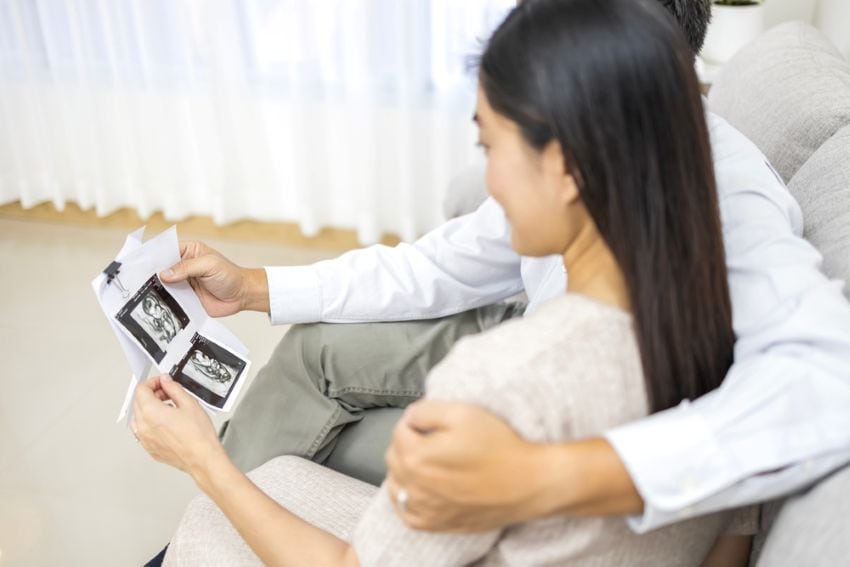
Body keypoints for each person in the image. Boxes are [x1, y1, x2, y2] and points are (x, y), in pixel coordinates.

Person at [159, 0, 850, 539]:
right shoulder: (576, 169)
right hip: (531, 338)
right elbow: (449, 258)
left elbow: (830, 377)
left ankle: (225, 518)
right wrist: (253, 285)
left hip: (554, 397)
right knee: (316, 348)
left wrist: (543, 475)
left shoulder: (733, 202)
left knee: (321, 456)